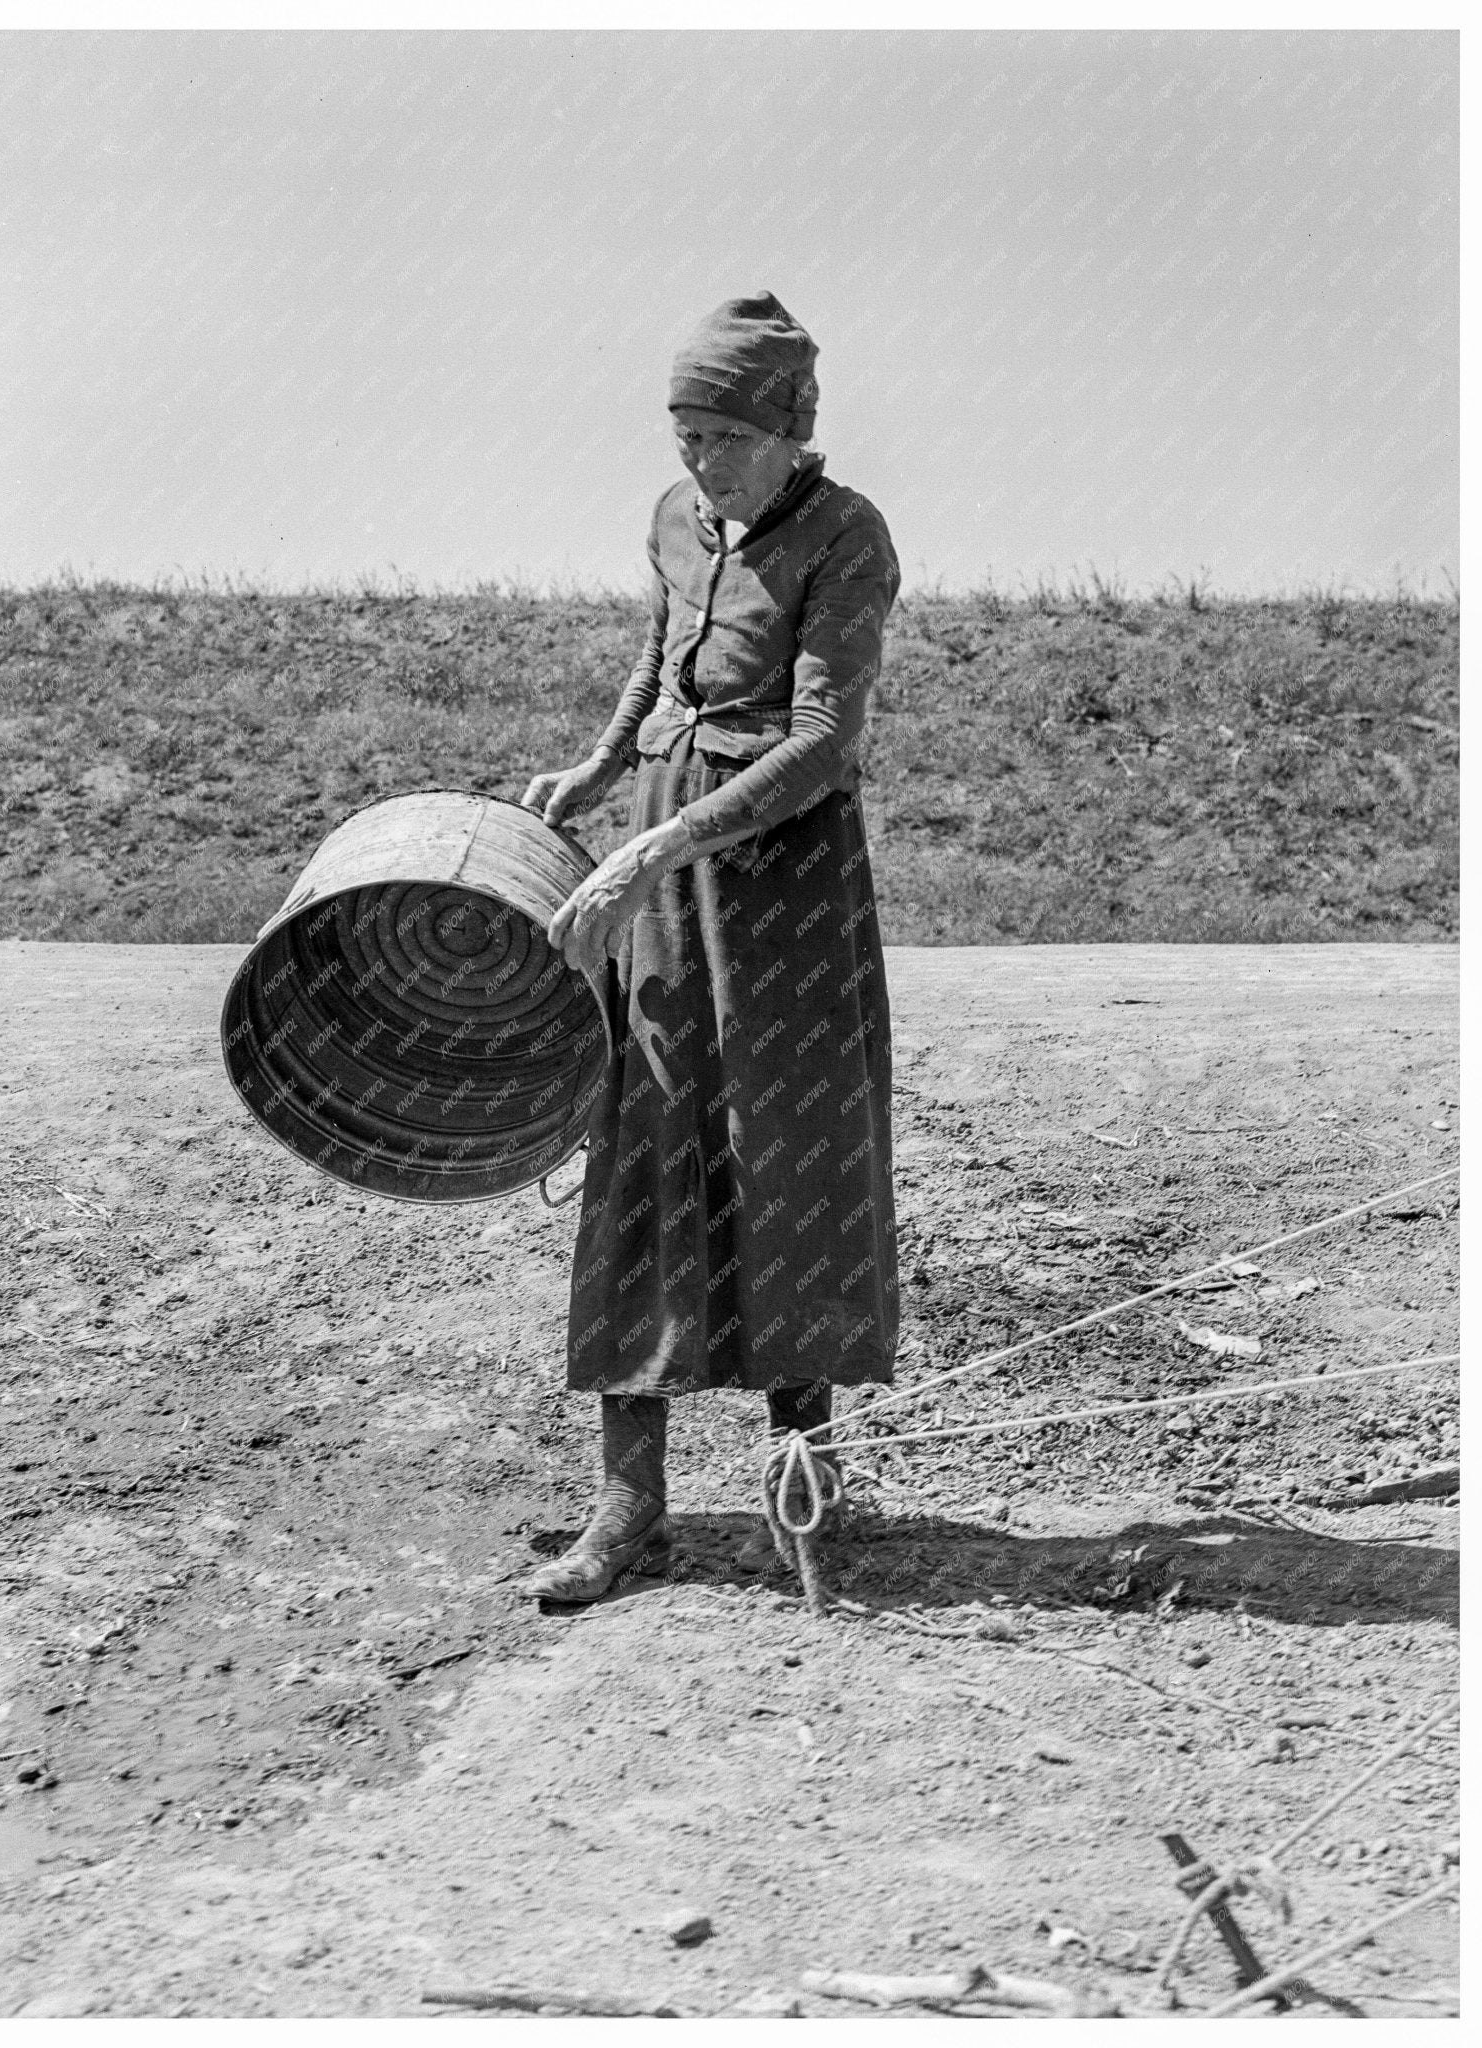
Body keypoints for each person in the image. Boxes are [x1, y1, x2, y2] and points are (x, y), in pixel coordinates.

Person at [518, 291, 900, 1603]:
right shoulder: (675, 518)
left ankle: (806, 1484)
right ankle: (630, 1507)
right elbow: (661, 657)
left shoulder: (847, 537)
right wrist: (601, 767)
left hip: (785, 887)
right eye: (685, 434)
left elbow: (822, 745)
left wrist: (653, 850)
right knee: (645, 1146)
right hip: (665, 874)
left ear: (793, 427)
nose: (702, 460)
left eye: (726, 437)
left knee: (788, 1160)